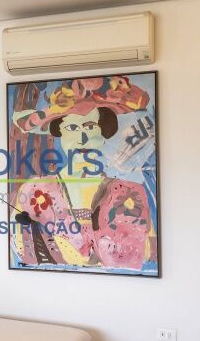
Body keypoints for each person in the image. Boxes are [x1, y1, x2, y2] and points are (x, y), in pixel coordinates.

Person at [10, 76, 157, 272]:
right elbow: (23, 253)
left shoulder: (130, 194)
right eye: (72, 127)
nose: (82, 138)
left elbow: (148, 256)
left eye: (90, 126)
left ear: (103, 131)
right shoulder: (33, 192)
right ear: (60, 134)